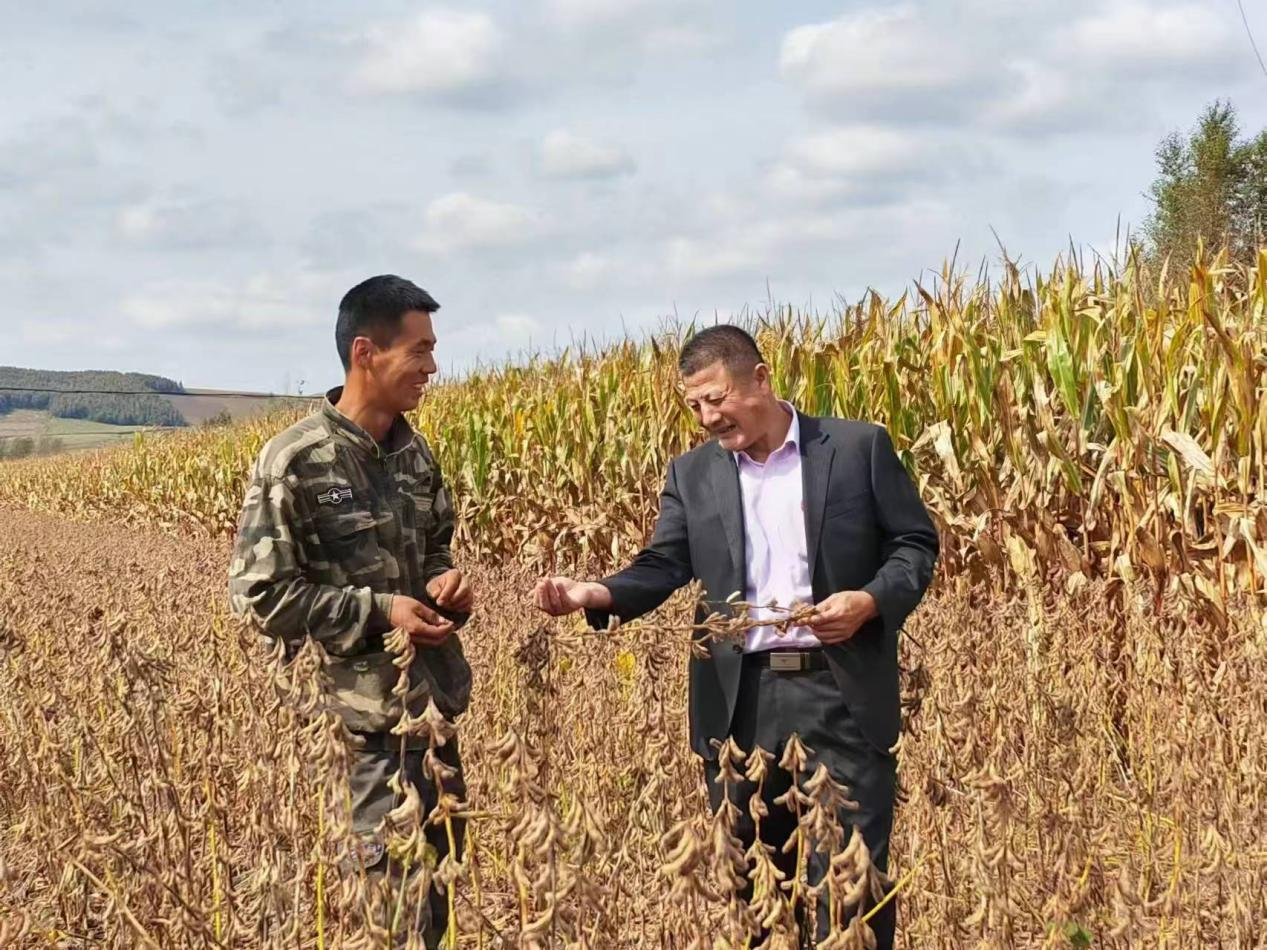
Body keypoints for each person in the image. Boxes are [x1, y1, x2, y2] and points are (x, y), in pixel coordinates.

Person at [532, 325, 938, 947]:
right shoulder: (692, 474)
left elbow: (913, 544)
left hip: (840, 695)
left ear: (761, 378)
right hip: (739, 704)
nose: (707, 418)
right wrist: (598, 593)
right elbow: (663, 564)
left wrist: (869, 602)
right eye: (694, 405)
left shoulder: (857, 448)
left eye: (716, 399)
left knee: (851, 886)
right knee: (755, 890)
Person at [228, 274, 474, 947]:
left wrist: (445, 583)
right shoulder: (295, 462)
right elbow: (259, 597)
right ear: (366, 352)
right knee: (390, 919)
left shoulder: (415, 454)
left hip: (432, 720)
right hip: (359, 733)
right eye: (419, 351)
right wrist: (381, 610)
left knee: (438, 909)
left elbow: (436, 547)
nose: (432, 367)